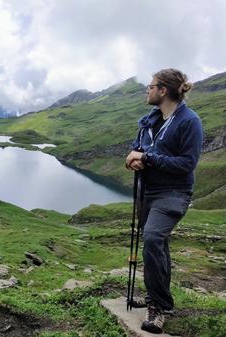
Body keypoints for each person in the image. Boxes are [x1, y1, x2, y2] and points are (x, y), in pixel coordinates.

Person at [125, 68, 203, 334]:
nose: (147, 89)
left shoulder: (189, 121)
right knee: (156, 245)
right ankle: (158, 298)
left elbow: (187, 164)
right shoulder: (150, 120)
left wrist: (147, 159)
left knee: (154, 238)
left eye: (151, 86)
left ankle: (158, 307)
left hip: (174, 193)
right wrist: (133, 159)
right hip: (147, 190)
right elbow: (139, 147)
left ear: (163, 90)